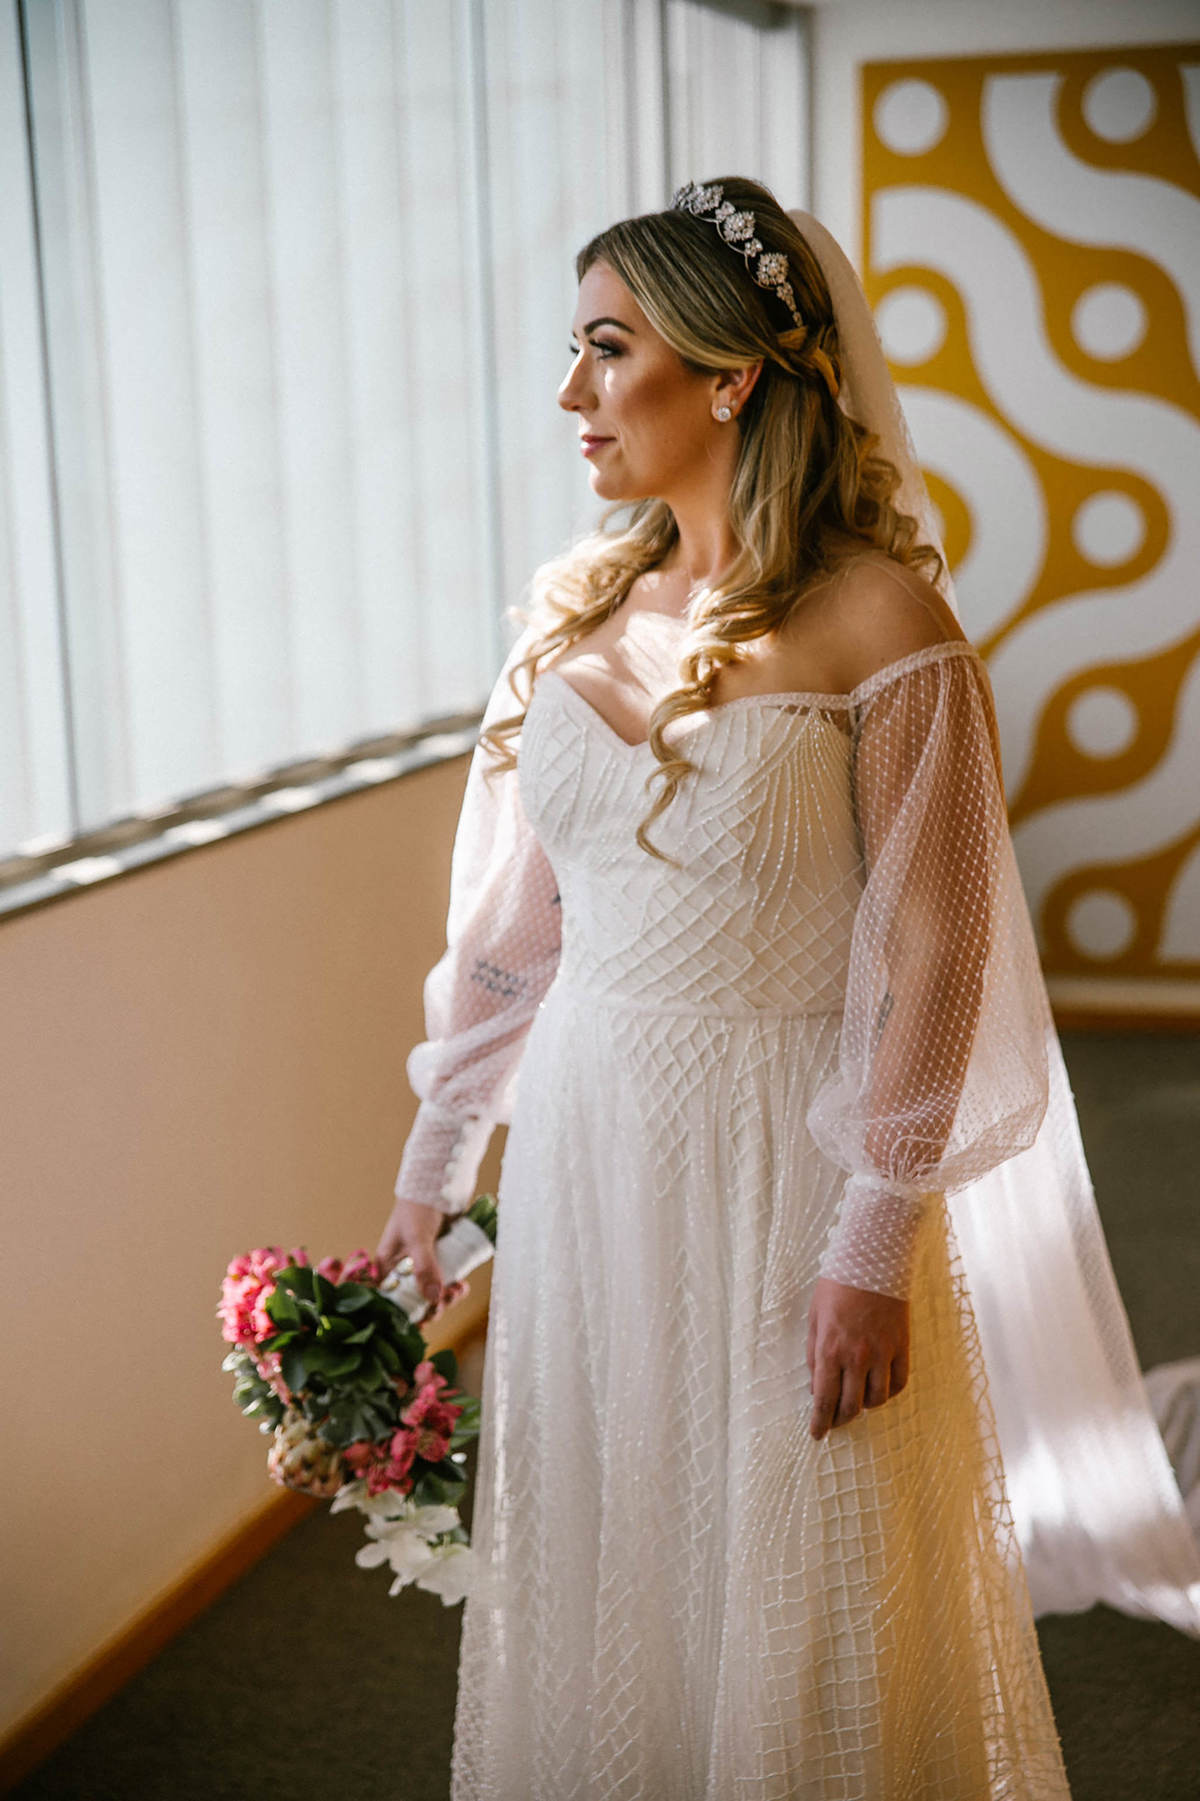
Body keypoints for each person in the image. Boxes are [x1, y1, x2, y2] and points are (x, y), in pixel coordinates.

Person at [376, 178, 1200, 1798]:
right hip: (593, 1155)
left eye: (608, 351)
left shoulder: (884, 621)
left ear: (730, 370)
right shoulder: (570, 622)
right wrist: (432, 1168)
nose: (571, 395)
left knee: (807, 1580)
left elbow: (937, 949)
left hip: (788, 1167)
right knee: (619, 1540)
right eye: (575, 352)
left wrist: (875, 1236)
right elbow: (509, 937)